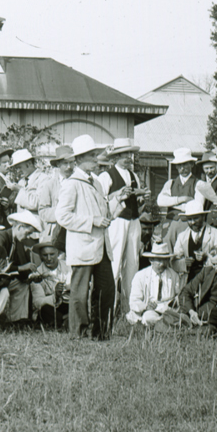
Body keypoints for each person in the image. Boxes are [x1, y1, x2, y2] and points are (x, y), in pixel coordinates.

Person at [55, 134, 121, 340]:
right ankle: (78, 333)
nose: (95, 159)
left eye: (95, 155)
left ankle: (101, 333)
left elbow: (104, 212)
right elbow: (62, 216)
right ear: (78, 160)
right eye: (91, 156)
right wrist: (92, 221)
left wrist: (119, 201)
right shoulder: (71, 183)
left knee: (107, 289)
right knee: (79, 293)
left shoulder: (97, 183)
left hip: (101, 247)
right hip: (83, 247)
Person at [98, 137, 149, 312]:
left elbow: (138, 203)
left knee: (132, 263)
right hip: (117, 221)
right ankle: (109, 307)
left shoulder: (134, 175)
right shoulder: (106, 176)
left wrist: (141, 198)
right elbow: (100, 200)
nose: (128, 157)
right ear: (115, 157)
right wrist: (117, 195)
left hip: (134, 221)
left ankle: (130, 308)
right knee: (115, 262)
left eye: (130, 154)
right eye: (124, 154)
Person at [4, 209, 45, 326]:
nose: (27, 237)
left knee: (22, 284)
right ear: (20, 227)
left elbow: (21, 269)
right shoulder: (2, 237)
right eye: (27, 233)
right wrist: (23, 268)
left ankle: (16, 320)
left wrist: (31, 276)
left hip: (7, 279)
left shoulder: (19, 243)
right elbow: (0, 267)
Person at [126, 242, 182, 328]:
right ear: (151, 260)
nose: (162, 264)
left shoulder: (174, 276)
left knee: (178, 317)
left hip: (168, 310)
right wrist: (146, 306)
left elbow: (179, 296)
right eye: (158, 260)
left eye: (165, 260)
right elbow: (134, 301)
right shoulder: (140, 276)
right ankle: (163, 324)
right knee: (148, 318)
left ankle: (164, 324)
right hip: (150, 311)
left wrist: (174, 303)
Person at [172, 201, 217, 284]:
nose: (192, 222)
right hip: (189, 280)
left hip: (211, 280)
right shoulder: (182, 237)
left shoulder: (216, 234)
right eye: (189, 219)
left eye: (195, 218)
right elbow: (174, 262)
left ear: (203, 216)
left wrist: (207, 256)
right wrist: (184, 263)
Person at [37, 145, 76, 247]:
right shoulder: (49, 185)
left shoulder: (78, 183)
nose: (69, 167)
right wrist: (62, 212)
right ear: (58, 164)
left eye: (71, 163)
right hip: (56, 233)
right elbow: (42, 211)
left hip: (75, 231)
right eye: (65, 163)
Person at [30, 241, 71, 328]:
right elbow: (37, 302)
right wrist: (55, 296)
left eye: (52, 254)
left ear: (58, 253)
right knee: (44, 309)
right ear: (40, 256)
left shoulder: (68, 267)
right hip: (51, 307)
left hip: (66, 304)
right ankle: (65, 320)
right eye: (45, 255)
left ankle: (63, 321)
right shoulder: (37, 274)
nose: (49, 258)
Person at [11, 148, 46, 217]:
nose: (18, 171)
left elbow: (37, 203)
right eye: (16, 169)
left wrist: (20, 190)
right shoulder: (21, 181)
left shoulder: (44, 179)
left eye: (19, 167)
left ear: (29, 163)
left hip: (36, 223)